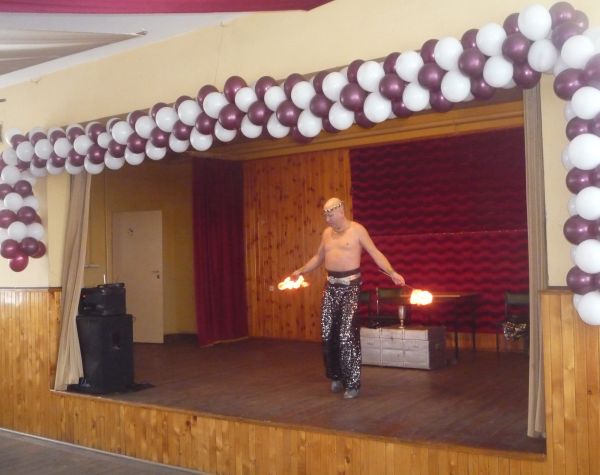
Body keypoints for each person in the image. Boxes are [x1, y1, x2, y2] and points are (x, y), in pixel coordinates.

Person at [291, 197, 405, 399]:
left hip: (351, 288)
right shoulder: (327, 233)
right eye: (325, 215)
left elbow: (375, 253)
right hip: (330, 287)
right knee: (328, 333)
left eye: (330, 215)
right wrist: (301, 270)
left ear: (340, 211)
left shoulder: (357, 230)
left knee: (346, 335)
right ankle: (336, 376)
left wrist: (392, 272)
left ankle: (352, 383)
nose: (328, 219)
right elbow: (318, 258)